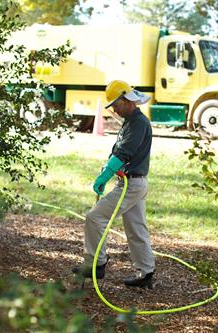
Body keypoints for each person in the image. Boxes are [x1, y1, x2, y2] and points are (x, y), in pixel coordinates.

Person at [72, 80, 156, 288]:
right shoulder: (131, 121)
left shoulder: (138, 123)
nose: (115, 110)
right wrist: (107, 169)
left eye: (116, 105)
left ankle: (96, 264)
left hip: (133, 184)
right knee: (136, 229)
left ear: (127, 99)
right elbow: (119, 151)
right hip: (134, 183)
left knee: (95, 217)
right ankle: (146, 272)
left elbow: (124, 152)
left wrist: (105, 175)